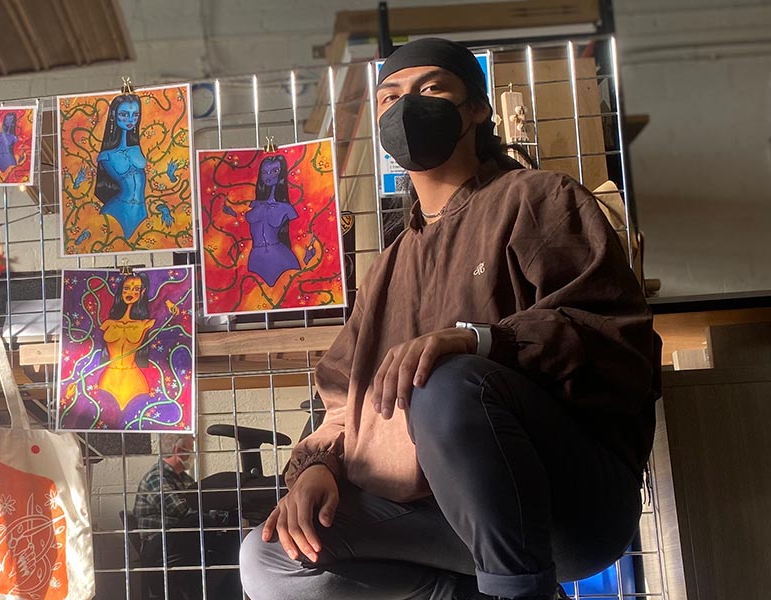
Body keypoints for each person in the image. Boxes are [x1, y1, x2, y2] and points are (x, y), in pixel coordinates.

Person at [238, 38, 661, 600]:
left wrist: (481, 342)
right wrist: (317, 467)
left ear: (477, 109)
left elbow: (611, 336)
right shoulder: (388, 266)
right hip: (438, 518)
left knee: (445, 383)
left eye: (431, 89)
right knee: (269, 558)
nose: (406, 108)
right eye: (390, 98)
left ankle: (518, 590)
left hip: (564, 505)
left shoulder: (539, 199)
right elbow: (343, 397)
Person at [133, 435, 244, 600]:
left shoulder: (184, 478)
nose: (193, 453)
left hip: (178, 538)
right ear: (178, 450)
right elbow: (184, 510)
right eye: (190, 449)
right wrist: (216, 515)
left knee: (230, 543)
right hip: (159, 543)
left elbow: (200, 505)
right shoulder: (157, 477)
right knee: (203, 522)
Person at [96, 93, 150, 239]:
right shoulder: (106, 155)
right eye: (124, 114)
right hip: (117, 210)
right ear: (114, 114)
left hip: (141, 210)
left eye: (135, 114)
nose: (130, 119)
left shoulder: (137, 149)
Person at [245, 154, 302, 286]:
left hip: (281, 260)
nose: (269, 175)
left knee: (287, 293)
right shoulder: (253, 205)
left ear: (281, 174)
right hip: (256, 259)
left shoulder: (287, 208)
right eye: (265, 172)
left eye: (274, 171)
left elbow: (301, 235)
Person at [99, 273, 154, 409]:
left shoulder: (145, 323)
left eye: (136, 289)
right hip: (108, 380)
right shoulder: (108, 323)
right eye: (127, 288)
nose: (130, 293)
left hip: (135, 382)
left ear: (142, 292)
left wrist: (170, 304)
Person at [0, 111, 21, 177]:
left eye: (10, 119)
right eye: (7, 119)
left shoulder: (13, 137)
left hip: (8, 159)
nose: (8, 121)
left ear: (13, 121)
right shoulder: (0, 134)